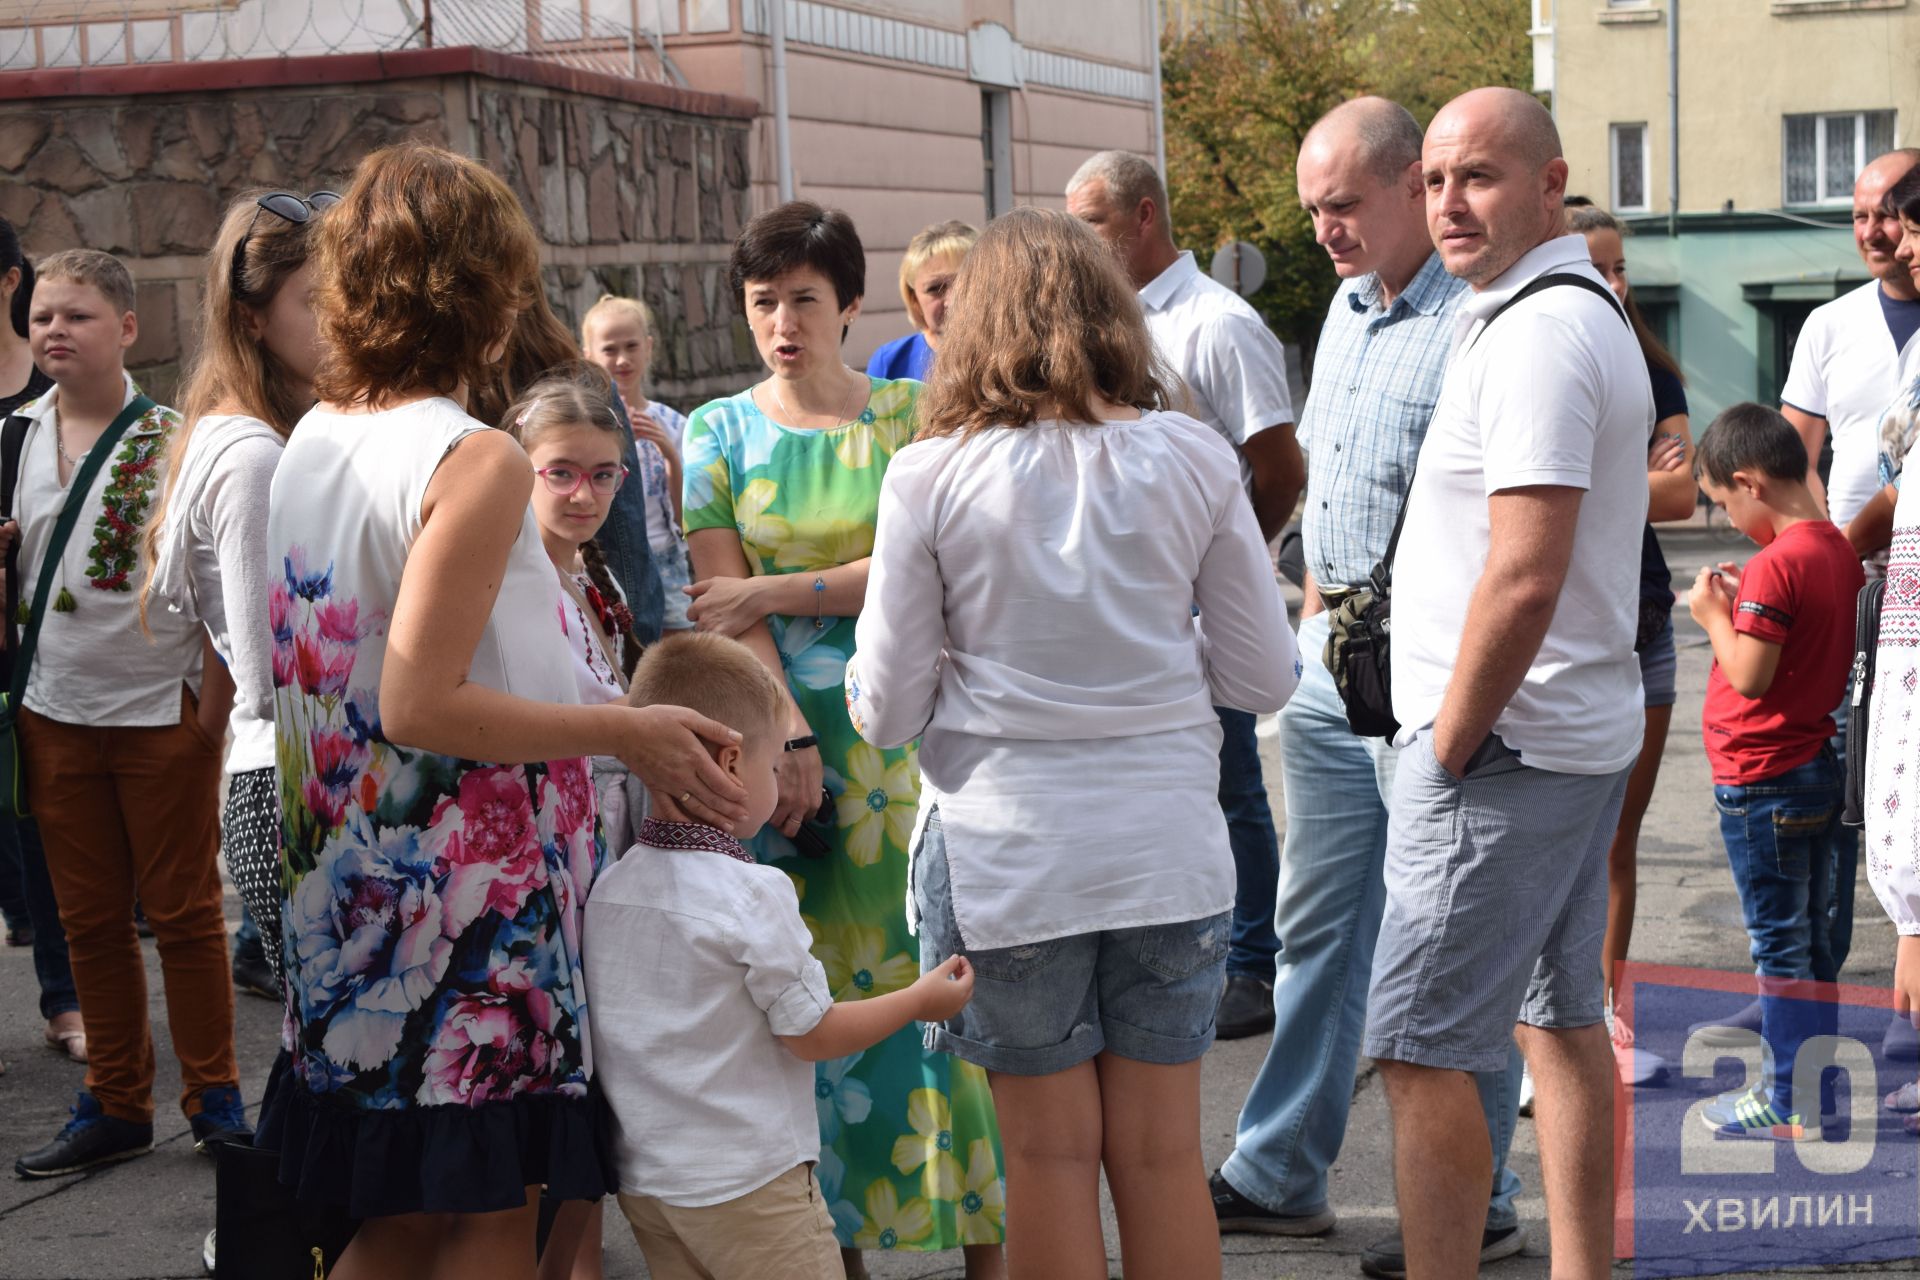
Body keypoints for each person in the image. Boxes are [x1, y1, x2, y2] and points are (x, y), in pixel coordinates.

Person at [255, 142, 747, 1278]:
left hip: (350, 880)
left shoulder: (319, 433)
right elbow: (421, 701)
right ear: (484, 288)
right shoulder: (469, 456)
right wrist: (626, 728)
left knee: (404, 1212)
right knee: (486, 1207)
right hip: (462, 891)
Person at [848, 204, 1298, 1280]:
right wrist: (1156, 658)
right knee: (1163, 1156)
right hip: (1167, 850)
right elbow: (1263, 675)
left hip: (1008, 855)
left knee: (1047, 1162)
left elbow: (888, 708)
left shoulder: (931, 474)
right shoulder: (1192, 455)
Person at [1210, 97, 1527, 1280]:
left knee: (1443, 941)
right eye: (1312, 210)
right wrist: (1311, 604)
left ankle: (1481, 1200)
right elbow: (1327, 473)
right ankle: (1280, 1168)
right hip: (1334, 650)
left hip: (1429, 661)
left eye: (1343, 205)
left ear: (1411, 187)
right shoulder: (1348, 308)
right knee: (1318, 925)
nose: (1325, 230)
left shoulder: (1477, 315)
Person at [681, 199, 1005, 1280]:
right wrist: (784, 734)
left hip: (904, 734)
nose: (784, 322)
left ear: (853, 304)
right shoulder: (715, 431)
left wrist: (774, 587)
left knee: (942, 971)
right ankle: (840, 1256)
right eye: (763, 301)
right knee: (806, 990)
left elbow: (922, 566)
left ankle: (987, 1244)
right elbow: (719, 605)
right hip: (778, 745)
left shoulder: (913, 411)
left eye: (805, 299)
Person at [1373, 88, 1650, 1280]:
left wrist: (1445, 745)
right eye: (1433, 179)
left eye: (1477, 176)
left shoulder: (1542, 330)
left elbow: (1526, 574)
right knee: (1561, 1019)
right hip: (1557, 739)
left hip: (1504, 751)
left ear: (1550, 184)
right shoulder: (1552, 310)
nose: (1448, 202)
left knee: (1422, 1048)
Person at [587, 631, 975, 1280]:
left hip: (649, 1187)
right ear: (732, 764)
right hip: (752, 1189)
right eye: (773, 768)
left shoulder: (611, 887)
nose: (778, 781)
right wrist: (918, 1000)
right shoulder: (752, 893)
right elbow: (812, 1033)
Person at [9, 249, 251, 1177]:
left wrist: (208, 721)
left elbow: (220, 590)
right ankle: (115, 1101)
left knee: (185, 916)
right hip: (52, 715)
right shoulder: (13, 438)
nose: (55, 332)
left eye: (76, 316)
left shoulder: (176, 442)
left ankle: (215, 1099)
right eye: (42, 317)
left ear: (127, 328)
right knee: (89, 920)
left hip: (160, 716)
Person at [1066, 150, 1304, 1036]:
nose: (1078, 243)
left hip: (1205, 598)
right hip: (1131, 600)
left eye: (1091, 223)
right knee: (1164, 783)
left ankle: (1253, 963)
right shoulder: (1097, 319)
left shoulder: (1217, 323)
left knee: (1231, 781)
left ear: (1144, 216)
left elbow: (1278, 467)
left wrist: (1227, 566)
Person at [142, 188, 332, 1016]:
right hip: (291, 792)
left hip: (302, 781)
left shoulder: (278, 431)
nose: (344, 321)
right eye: (316, 302)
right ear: (252, 319)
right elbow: (265, 677)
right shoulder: (253, 454)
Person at [1769, 146, 1920, 999]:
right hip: (1849, 591)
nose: (1874, 232)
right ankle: (1830, 983)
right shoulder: (1830, 325)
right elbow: (1792, 457)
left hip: (1906, 575)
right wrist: (1817, 554)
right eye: (1859, 215)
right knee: (1840, 775)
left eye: (1890, 215)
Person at [1687, 403, 1859, 1138]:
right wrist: (1745, 606)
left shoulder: (1775, 563)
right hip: (1814, 764)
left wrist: (1712, 616)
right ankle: (1817, 1092)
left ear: (1749, 482)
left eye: (1725, 504)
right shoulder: (1834, 548)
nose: (1730, 521)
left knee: (1778, 946)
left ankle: (1787, 1096)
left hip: (1763, 779)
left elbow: (1751, 677)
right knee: (1813, 942)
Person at [1566, 201, 1695, 1091]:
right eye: (1595, 267)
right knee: (1549, 849)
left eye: (1620, 268)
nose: (1612, 283)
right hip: (1557, 634)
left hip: (1642, 624)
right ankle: (1542, 1033)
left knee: (1616, 843)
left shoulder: (1652, 367)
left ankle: (1603, 1018)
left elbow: (1682, 496)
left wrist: (1573, 480)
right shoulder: (1532, 351)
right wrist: (1631, 476)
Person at [504, 370, 645, 855]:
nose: (584, 495)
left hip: (611, 806)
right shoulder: (513, 585)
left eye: (603, 475)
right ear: (517, 470)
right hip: (558, 814)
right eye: (561, 473)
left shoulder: (595, 576)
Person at [0, 215, 80, 1066]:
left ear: (8, 281)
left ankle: (66, 998)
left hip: (37, 638)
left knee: (44, 822)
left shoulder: (49, 391)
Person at [581, 294, 692, 634]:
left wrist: (668, 453)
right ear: (588, 356)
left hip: (666, 557)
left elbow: (687, 515)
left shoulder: (673, 423)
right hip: (607, 559)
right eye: (610, 349)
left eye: (632, 346)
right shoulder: (585, 427)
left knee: (677, 650)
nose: (622, 359)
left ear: (649, 347)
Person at [864, 220, 978, 381]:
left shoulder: (1008, 356)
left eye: (965, 282)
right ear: (914, 300)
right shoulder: (890, 363)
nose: (951, 301)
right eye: (935, 288)